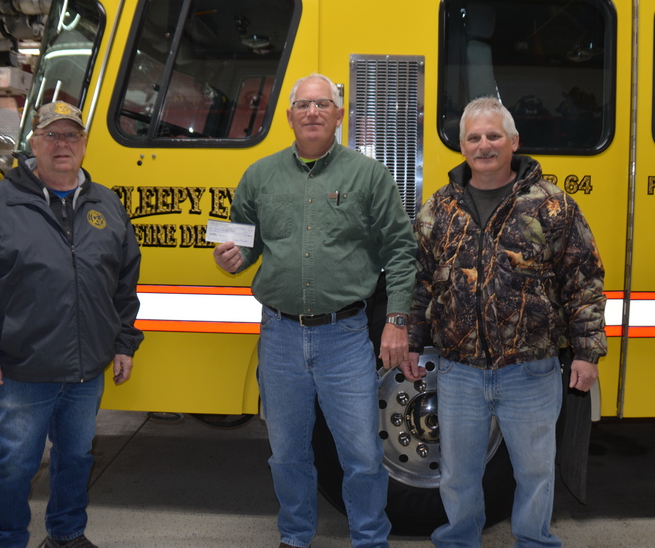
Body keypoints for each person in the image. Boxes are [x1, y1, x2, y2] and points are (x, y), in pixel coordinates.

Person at [213, 73, 421, 548]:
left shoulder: (368, 176)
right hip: (280, 336)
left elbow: (401, 251)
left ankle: (369, 538)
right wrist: (231, 257)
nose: (312, 112)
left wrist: (397, 320)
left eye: (322, 104)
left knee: (363, 456)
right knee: (287, 454)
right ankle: (295, 537)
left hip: (345, 337)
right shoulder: (259, 176)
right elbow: (239, 241)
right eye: (303, 105)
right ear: (288, 116)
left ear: (339, 115)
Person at [405, 96, 607, 548]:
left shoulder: (551, 205)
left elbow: (584, 278)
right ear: (461, 146)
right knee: (458, 473)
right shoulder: (441, 207)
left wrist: (587, 352)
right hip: (459, 370)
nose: (484, 145)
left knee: (535, 471)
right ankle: (459, 540)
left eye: (493, 135)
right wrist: (412, 342)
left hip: (530, 371)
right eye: (474, 137)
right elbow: (419, 281)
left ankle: (534, 541)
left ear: (514, 141)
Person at [0, 101, 144, 548]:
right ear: (33, 143)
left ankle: (67, 533)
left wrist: (123, 343)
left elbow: (124, 283)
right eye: (51, 136)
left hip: (86, 369)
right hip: (23, 368)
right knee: (14, 462)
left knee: (75, 457)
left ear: (85, 144)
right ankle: (5, 539)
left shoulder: (106, 204)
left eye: (71, 135)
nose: (62, 145)